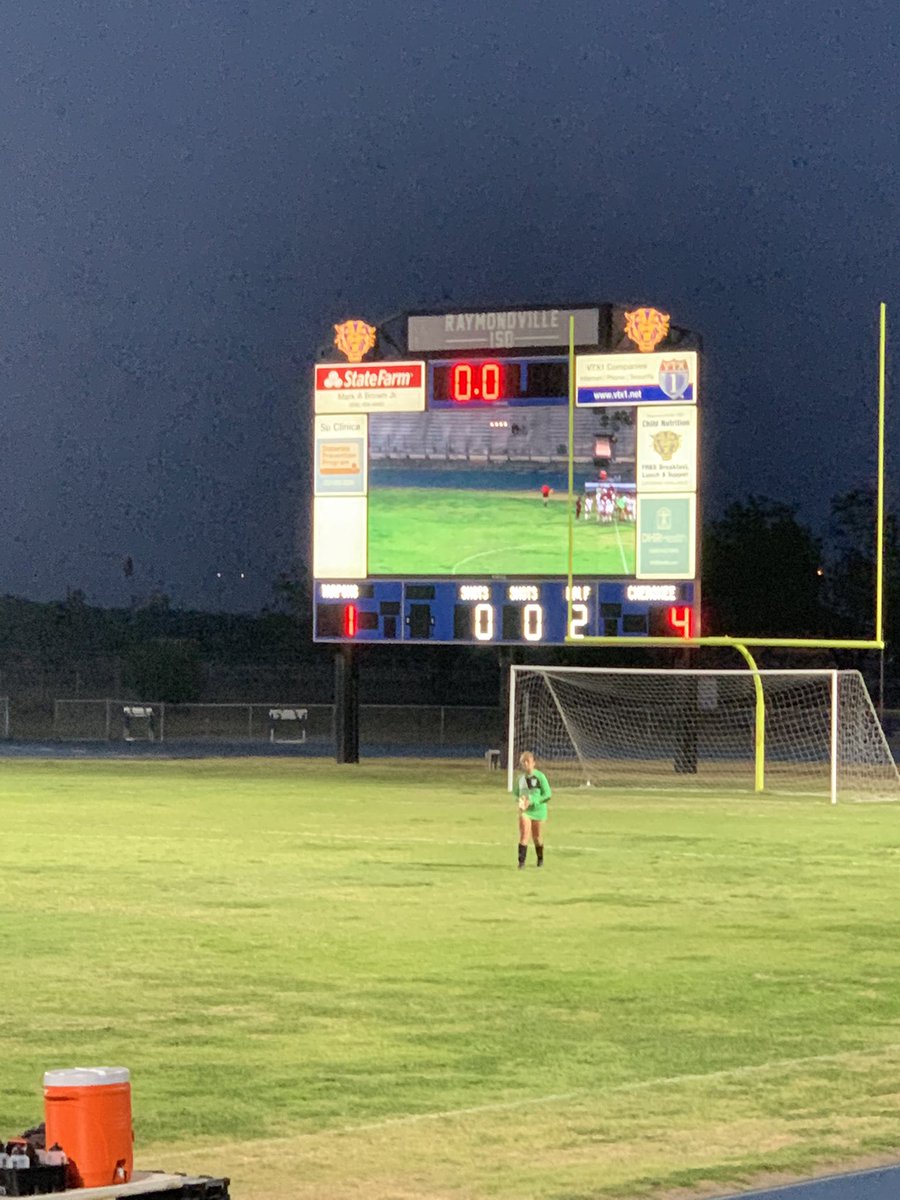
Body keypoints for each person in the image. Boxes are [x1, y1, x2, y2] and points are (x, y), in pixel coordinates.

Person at [514, 750, 552, 868]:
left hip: (539, 811)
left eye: (528, 761)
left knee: (537, 837)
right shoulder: (520, 779)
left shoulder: (540, 777)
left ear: (533, 763)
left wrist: (533, 801)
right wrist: (521, 801)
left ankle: (540, 859)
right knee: (524, 834)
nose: (526, 764)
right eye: (523, 762)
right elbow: (516, 794)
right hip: (526, 811)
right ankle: (521, 863)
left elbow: (547, 795)